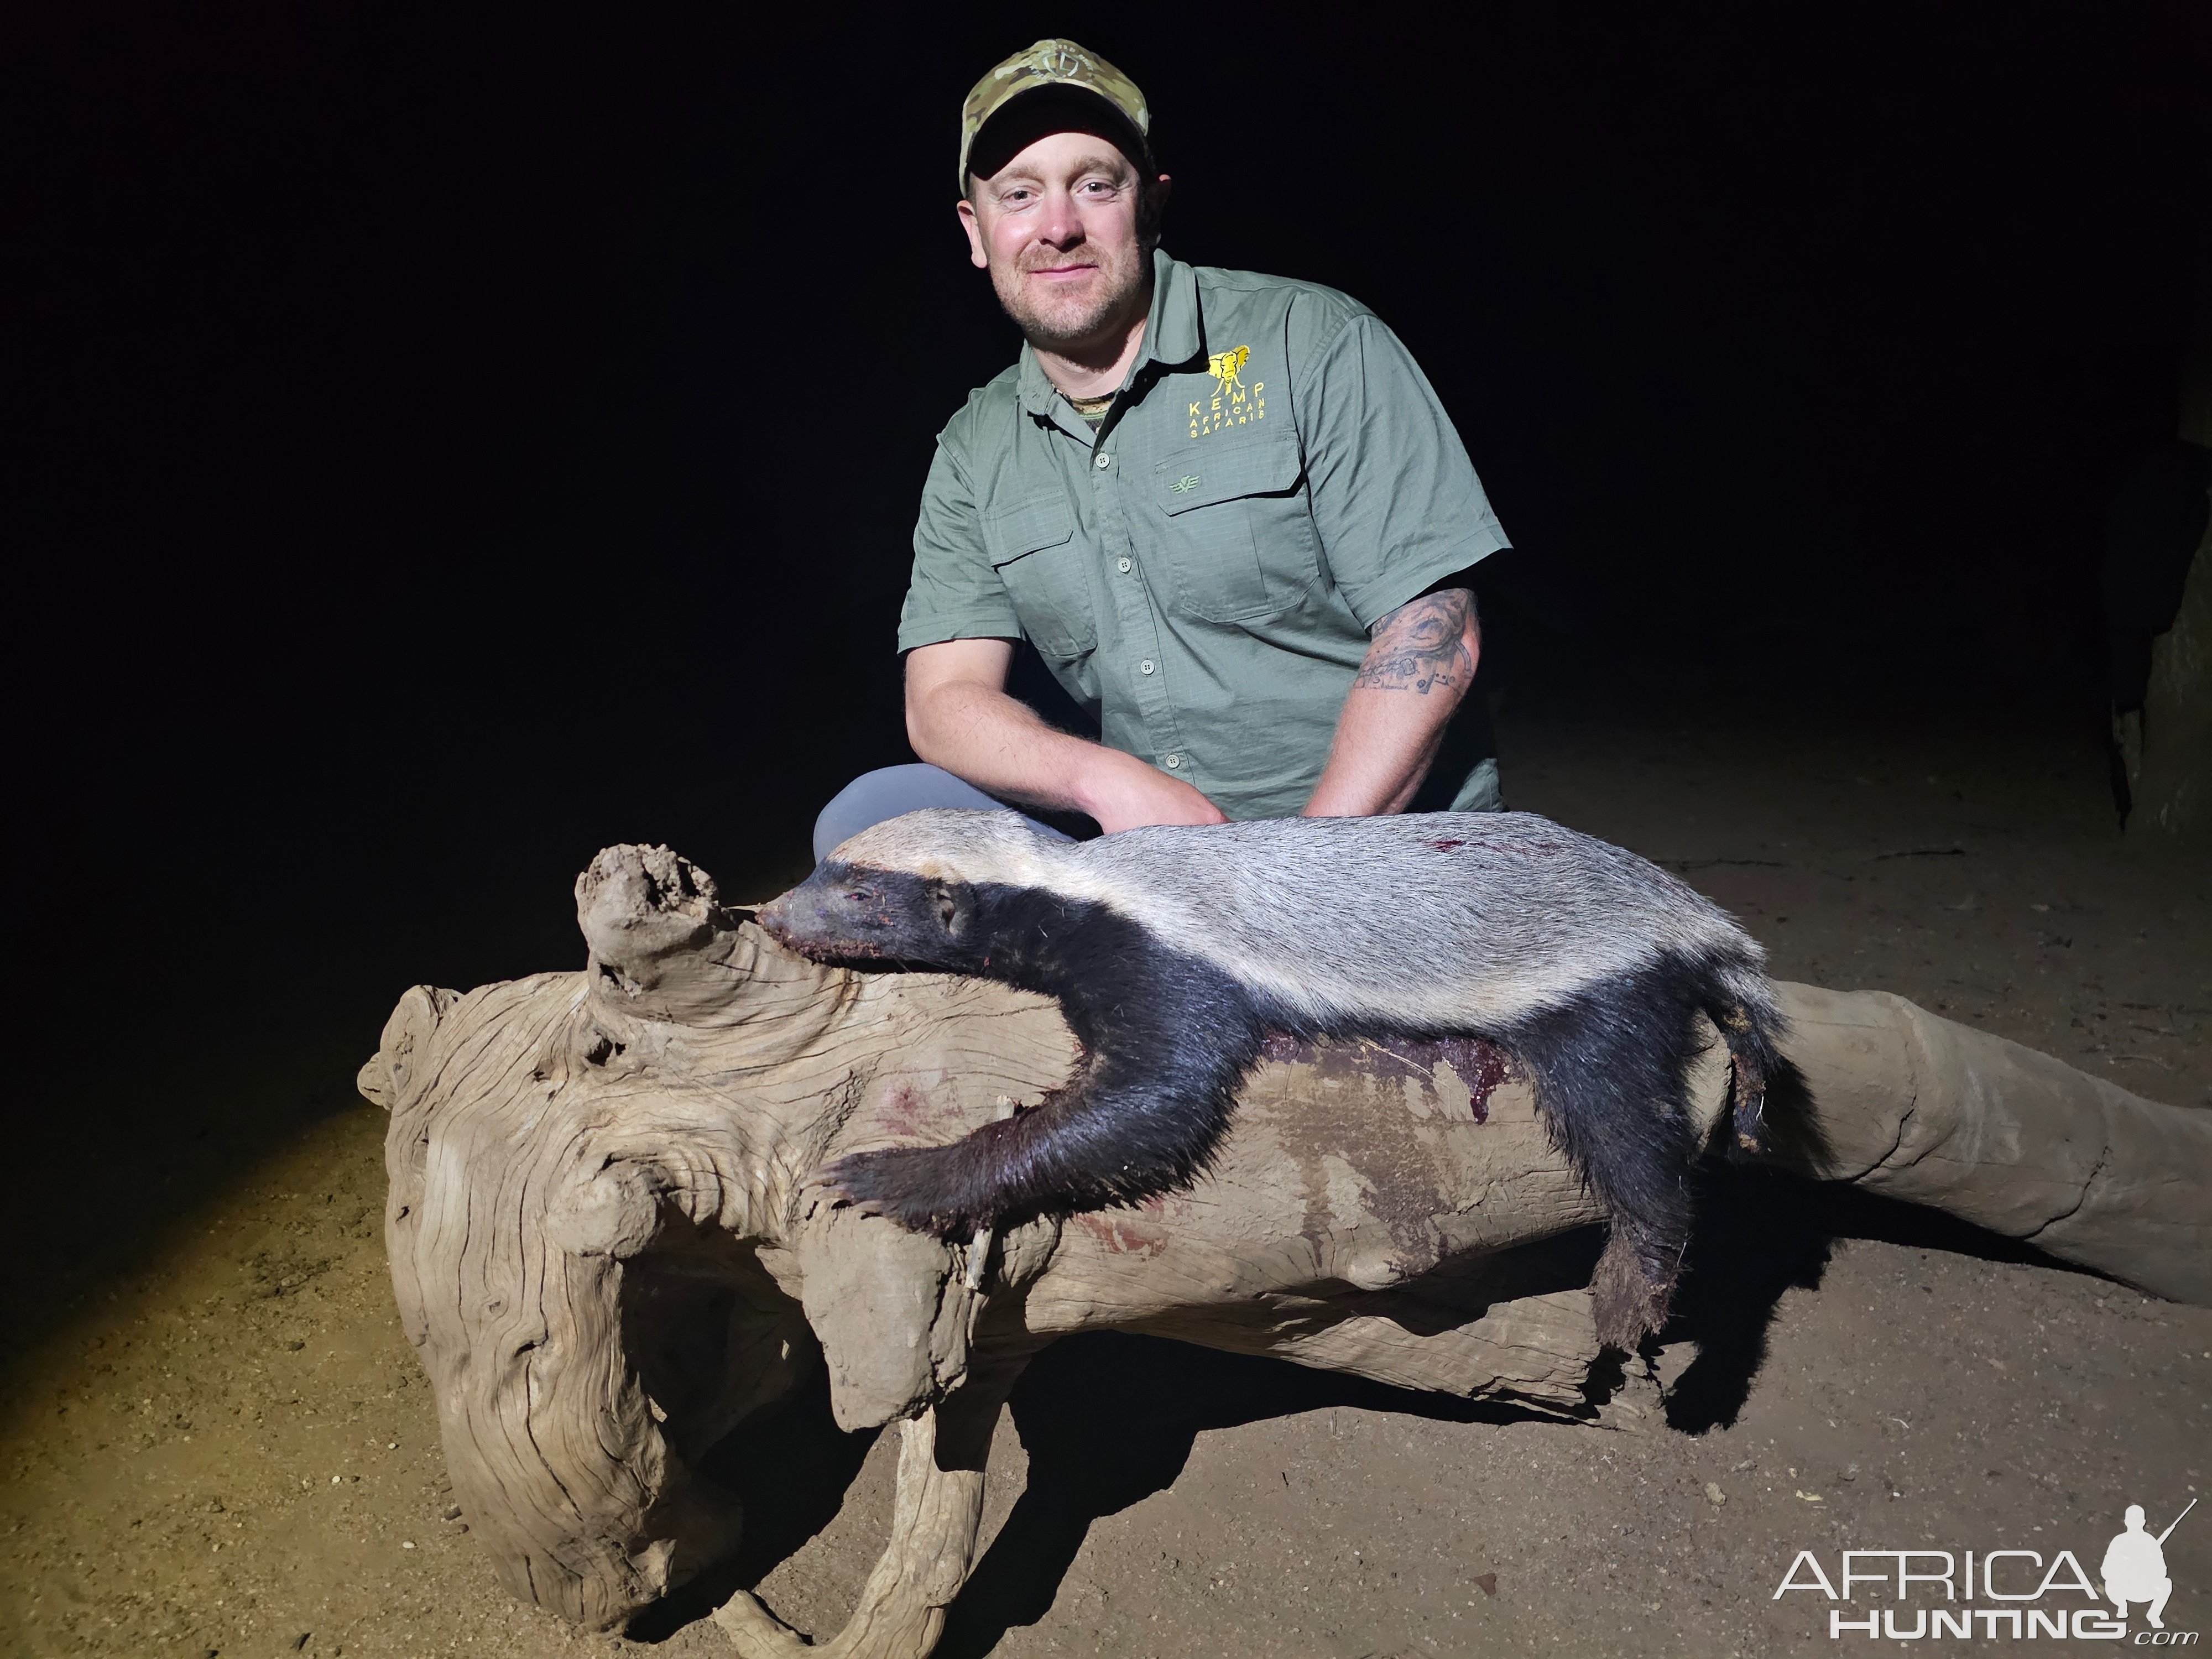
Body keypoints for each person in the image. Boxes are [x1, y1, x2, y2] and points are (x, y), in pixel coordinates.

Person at [815, 39, 1512, 862]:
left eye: (1095, 185)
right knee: (872, 822)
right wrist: (1101, 781)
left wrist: (1307, 871)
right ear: (978, 231)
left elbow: (1435, 630)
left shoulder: (1312, 342)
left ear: (1150, 205)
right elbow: (944, 700)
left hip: (1368, 847)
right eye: (1020, 194)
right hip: (1158, 857)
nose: (1059, 227)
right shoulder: (977, 446)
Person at [2101, 1504, 2177, 1629]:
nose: (2135, 1523)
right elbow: (2106, 1570)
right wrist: (2124, 1570)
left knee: (2166, 1583)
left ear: (2143, 1522)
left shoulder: (2151, 1542)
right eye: (2132, 1520)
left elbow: (2162, 1571)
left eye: (2138, 1520)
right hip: (2124, 1589)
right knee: (2109, 1583)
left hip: (2145, 1589)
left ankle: (2154, 1615)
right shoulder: (2118, 1541)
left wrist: (2146, 1568)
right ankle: (2122, 1606)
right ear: (2126, 1522)